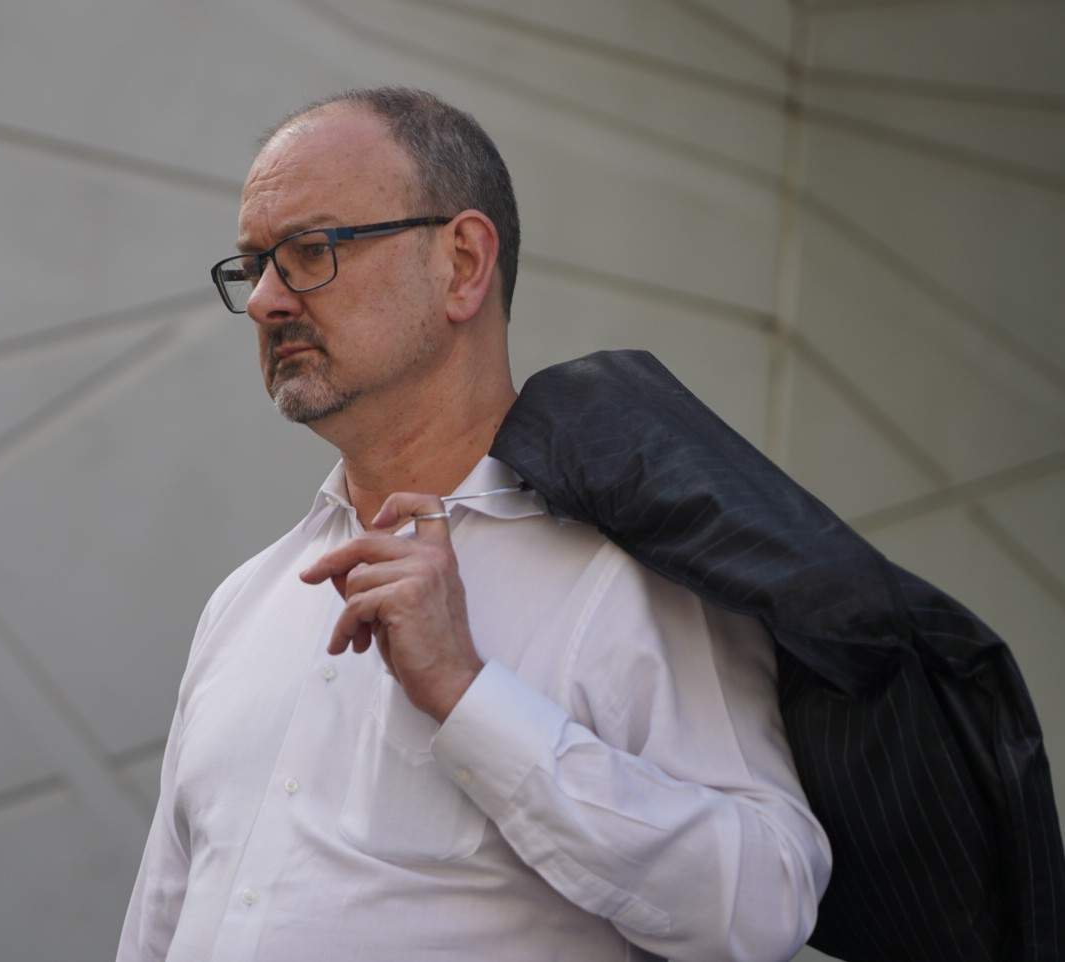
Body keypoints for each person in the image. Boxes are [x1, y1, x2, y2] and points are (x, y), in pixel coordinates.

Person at [115, 87, 831, 962]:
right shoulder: (244, 601)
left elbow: (763, 907)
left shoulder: (631, 577)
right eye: (254, 265)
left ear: (461, 264)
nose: (265, 299)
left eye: (309, 251)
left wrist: (468, 697)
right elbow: (160, 925)